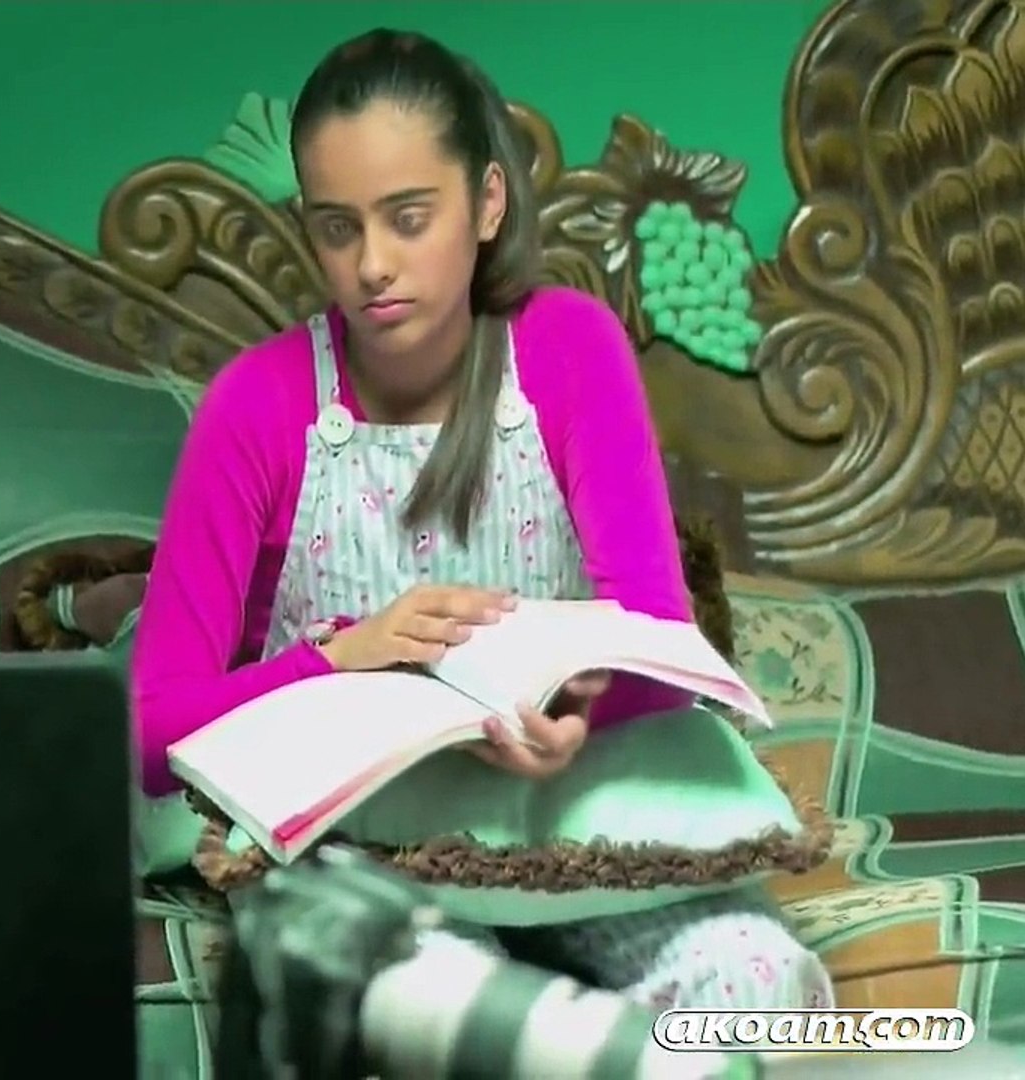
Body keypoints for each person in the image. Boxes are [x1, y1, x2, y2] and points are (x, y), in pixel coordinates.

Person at [129, 28, 833, 1010]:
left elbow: (659, 635)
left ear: (488, 201)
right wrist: (338, 661)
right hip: (353, 847)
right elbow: (152, 725)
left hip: (569, 818)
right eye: (336, 228)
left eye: (409, 217)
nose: (373, 264)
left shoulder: (572, 349)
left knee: (753, 978)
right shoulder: (257, 403)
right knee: (452, 1016)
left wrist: (576, 714)